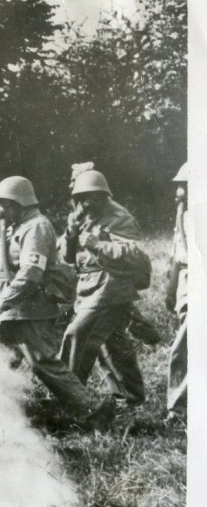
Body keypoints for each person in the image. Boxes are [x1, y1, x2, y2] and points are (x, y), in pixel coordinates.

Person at [0, 176, 96, 428]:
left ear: (17, 203)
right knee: (3, 360)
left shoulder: (36, 227)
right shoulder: (16, 226)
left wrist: (0, 304)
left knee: (42, 362)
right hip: (13, 307)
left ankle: (90, 409)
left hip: (29, 309)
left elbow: (31, 274)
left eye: (2, 204)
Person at [59, 169, 148, 409]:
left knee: (77, 334)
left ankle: (68, 396)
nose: (86, 202)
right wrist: (70, 233)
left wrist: (99, 245)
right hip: (87, 287)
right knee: (113, 344)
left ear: (103, 195)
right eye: (81, 197)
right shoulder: (81, 217)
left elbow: (134, 253)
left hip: (110, 287)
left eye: (92, 197)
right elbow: (68, 258)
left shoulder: (119, 216)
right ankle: (130, 397)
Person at [166, 162, 189, 416]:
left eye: (184, 186)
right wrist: (170, 290)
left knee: (181, 349)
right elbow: (176, 257)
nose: (178, 192)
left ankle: (179, 407)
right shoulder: (182, 216)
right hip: (185, 282)